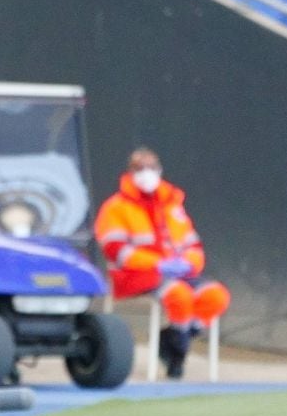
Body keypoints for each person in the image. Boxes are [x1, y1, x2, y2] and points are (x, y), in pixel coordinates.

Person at [94, 147, 231, 379]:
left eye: (152, 168)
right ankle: (177, 355)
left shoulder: (172, 204)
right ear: (130, 172)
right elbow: (115, 250)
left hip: (178, 272)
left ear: (160, 170)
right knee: (179, 296)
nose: (146, 173)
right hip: (134, 275)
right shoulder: (115, 207)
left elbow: (193, 244)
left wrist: (190, 264)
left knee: (216, 297)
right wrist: (157, 264)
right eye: (140, 168)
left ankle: (175, 339)